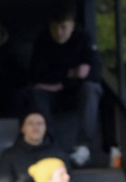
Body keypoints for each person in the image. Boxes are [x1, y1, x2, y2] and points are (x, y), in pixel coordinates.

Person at [29, 4, 103, 166]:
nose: (59, 32)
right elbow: (36, 76)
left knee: (91, 89)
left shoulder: (84, 38)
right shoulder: (43, 41)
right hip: (53, 96)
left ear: (72, 25)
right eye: (55, 27)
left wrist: (61, 83)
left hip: (76, 95)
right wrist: (70, 73)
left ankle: (83, 146)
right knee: (36, 95)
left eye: (63, 27)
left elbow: (95, 73)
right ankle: (47, 143)